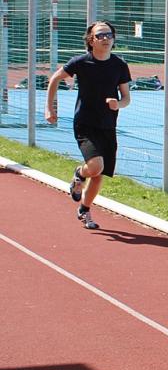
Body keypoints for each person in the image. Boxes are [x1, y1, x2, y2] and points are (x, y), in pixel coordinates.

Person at [45, 21, 131, 230]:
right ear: (91, 40)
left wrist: (118, 104)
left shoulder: (119, 65)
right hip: (85, 124)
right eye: (100, 35)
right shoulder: (81, 62)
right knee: (95, 166)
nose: (106, 38)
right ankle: (79, 174)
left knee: (98, 175)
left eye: (109, 35)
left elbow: (126, 98)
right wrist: (49, 108)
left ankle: (84, 209)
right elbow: (55, 79)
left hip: (108, 125)